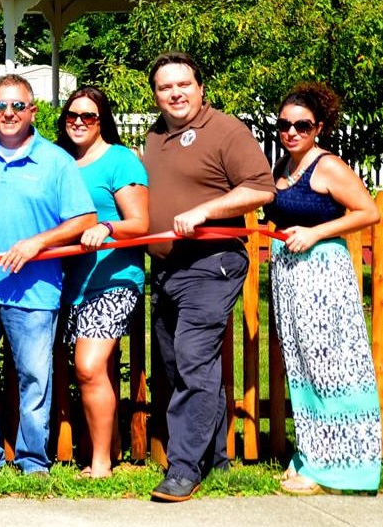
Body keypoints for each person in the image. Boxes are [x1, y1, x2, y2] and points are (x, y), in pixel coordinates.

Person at [140, 52, 273, 503]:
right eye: (165, 87)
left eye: (183, 84)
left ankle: (182, 470)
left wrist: (204, 210)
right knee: (182, 367)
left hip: (211, 263)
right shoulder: (155, 136)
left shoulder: (227, 130)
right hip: (166, 268)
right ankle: (215, 458)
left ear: (200, 88)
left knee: (194, 360)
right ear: (156, 94)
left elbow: (260, 187)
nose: (175, 93)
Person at [0, 73, 96, 478]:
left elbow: (84, 218)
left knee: (34, 377)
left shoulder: (56, 161)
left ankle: (34, 461)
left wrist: (38, 242)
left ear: (33, 111)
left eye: (18, 105)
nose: (9, 113)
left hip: (35, 291)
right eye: (0, 106)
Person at [263, 83, 380, 495]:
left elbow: (369, 211)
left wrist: (316, 234)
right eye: (284, 125)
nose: (291, 132)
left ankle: (345, 466)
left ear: (319, 128)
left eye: (302, 125)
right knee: (302, 366)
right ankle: (311, 454)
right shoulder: (282, 166)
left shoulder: (327, 165)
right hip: (289, 274)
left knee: (331, 367)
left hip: (322, 276)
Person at [54, 86, 149, 479]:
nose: (79, 122)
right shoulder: (59, 162)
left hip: (112, 279)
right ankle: (102, 451)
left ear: (102, 120)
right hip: (69, 282)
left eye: (89, 116)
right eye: (72, 116)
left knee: (89, 367)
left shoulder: (120, 160)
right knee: (95, 372)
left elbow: (141, 224)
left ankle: (101, 464)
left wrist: (106, 227)